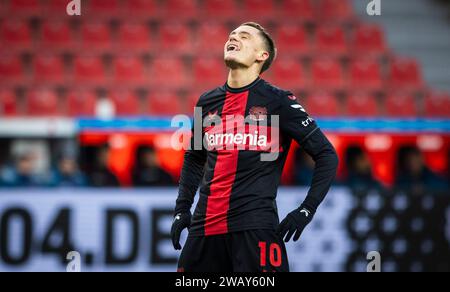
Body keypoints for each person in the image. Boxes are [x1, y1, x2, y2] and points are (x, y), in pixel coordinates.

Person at [171, 22, 338, 272]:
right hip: (203, 229)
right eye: (232, 35)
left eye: (245, 36)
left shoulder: (279, 101)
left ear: (262, 55)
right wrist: (182, 209)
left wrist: (306, 209)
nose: (234, 38)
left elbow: (326, 154)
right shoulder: (206, 102)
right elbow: (194, 157)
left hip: (255, 230)